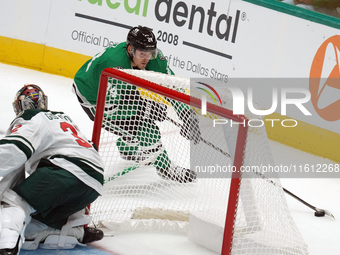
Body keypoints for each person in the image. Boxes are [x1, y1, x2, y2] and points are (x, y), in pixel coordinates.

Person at [72, 26, 201, 183]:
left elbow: (172, 86)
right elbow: (111, 108)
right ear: (130, 50)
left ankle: (127, 147)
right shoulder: (114, 66)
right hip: (93, 97)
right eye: (142, 54)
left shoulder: (153, 57)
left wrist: (186, 113)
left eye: (150, 53)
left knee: (136, 120)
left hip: (121, 90)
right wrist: (145, 109)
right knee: (145, 128)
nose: (146, 58)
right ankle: (166, 168)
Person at [0, 84, 104, 255]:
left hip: (64, 172)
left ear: (20, 105)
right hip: (92, 185)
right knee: (31, 226)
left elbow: (15, 149)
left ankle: (6, 249)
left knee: (13, 203)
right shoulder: (64, 118)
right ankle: (76, 232)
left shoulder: (30, 117)